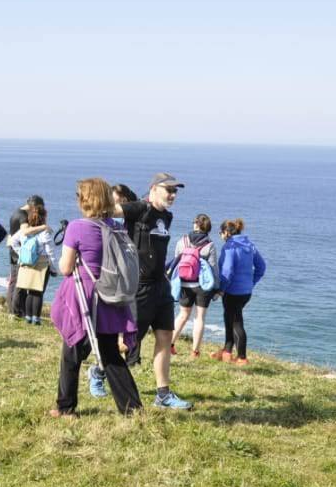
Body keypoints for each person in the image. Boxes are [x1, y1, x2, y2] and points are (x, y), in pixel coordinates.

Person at [50, 178, 141, 417]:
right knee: (110, 352)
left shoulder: (77, 228)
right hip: (110, 294)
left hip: (85, 296)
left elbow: (66, 268)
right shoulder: (117, 227)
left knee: (72, 351)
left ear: (85, 200)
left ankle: (65, 407)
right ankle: (132, 408)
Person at [105, 172, 193, 410]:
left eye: (176, 191)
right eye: (169, 190)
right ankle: (98, 369)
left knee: (165, 336)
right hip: (139, 286)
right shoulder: (138, 209)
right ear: (154, 189)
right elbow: (110, 212)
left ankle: (163, 394)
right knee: (128, 343)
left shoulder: (167, 216)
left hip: (161, 286)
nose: (173, 195)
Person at [213, 218, 267, 365]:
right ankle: (227, 351)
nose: (220, 236)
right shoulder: (250, 245)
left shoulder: (230, 246)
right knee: (229, 318)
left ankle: (242, 358)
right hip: (246, 292)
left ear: (226, 233)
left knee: (236, 322)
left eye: (220, 233)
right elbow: (261, 267)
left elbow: (228, 271)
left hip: (232, 292)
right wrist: (251, 283)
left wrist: (221, 290)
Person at [170, 214, 221, 358]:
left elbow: (176, 261)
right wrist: (217, 288)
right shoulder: (209, 244)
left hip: (184, 284)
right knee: (199, 318)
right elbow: (213, 268)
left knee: (182, 315)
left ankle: (170, 345)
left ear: (196, 225)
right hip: (202, 286)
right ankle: (195, 352)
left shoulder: (183, 240)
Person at [12, 201, 58, 325]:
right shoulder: (45, 233)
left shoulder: (25, 230)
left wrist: (20, 253)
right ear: (44, 217)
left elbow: (13, 242)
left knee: (28, 291)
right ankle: (36, 319)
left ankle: (28, 317)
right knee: (37, 292)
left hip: (26, 263)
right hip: (41, 264)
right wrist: (54, 269)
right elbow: (51, 253)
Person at [3, 207, 29, 313]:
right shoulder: (23, 216)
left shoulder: (15, 214)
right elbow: (25, 232)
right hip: (18, 253)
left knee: (13, 281)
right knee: (19, 282)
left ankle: (12, 308)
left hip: (13, 251)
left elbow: (10, 236)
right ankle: (16, 310)